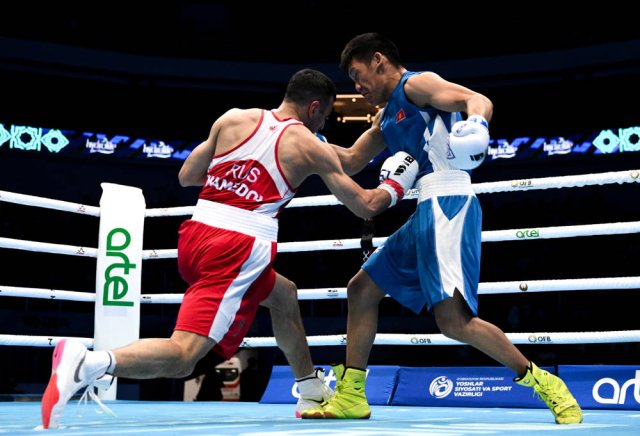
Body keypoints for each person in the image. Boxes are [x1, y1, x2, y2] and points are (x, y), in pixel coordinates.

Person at [40, 68, 419, 429]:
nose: (323, 127)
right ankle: (90, 363)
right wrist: (396, 185)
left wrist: (240, 175)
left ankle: (309, 389)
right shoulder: (307, 144)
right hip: (236, 247)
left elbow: (187, 176)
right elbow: (364, 203)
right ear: (314, 108)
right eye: (324, 119)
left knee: (284, 295)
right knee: (185, 355)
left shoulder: (233, 118)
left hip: (195, 235)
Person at [301, 33, 582, 424]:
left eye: (357, 73)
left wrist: (477, 124)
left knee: (454, 322)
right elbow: (348, 160)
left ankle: (544, 383)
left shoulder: (415, 84)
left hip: (449, 204)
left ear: (378, 60)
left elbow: (475, 99)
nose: (357, 86)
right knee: (361, 289)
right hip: (424, 209)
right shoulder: (387, 117)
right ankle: (351, 397)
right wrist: (298, 138)